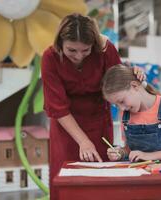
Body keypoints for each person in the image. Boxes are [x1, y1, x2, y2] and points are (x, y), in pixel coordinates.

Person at [41, 13, 145, 199]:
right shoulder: (49, 58)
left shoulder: (105, 51)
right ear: (60, 43)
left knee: (101, 179)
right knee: (66, 181)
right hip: (66, 127)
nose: (78, 56)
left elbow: (120, 84)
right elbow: (57, 107)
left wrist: (133, 73)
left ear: (93, 45)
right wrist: (82, 141)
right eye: (72, 50)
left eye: (85, 50)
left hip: (99, 123)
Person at [102, 64, 161, 162]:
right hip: (139, 173)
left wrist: (150, 156)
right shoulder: (125, 114)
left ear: (134, 86)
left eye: (121, 101)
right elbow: (129, 148)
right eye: (116, 105)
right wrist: (121, 152)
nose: (121, 108)